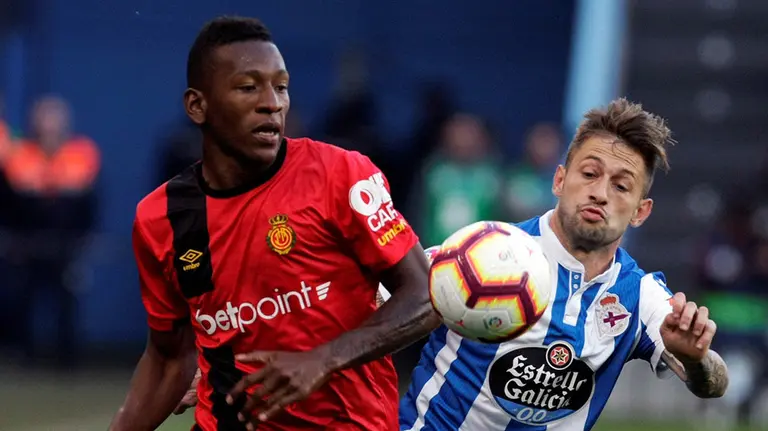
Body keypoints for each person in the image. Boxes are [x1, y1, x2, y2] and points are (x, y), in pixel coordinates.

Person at [108, 16, 438, 431]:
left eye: (280, 86)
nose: (273, 103)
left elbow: (426, 294)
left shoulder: (340, 175)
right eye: (249, 87)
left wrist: (324, 358)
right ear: (198, 105)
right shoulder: (161, 218)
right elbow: (170, 357)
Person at [399, 98, 729, 430]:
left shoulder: (639, 295)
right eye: (589, 173)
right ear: (559, 181)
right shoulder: (485, 250)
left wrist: (695, 359)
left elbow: (714, 384)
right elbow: (384, 302)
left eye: (621, 186)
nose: (600, 193)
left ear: (639, 212)